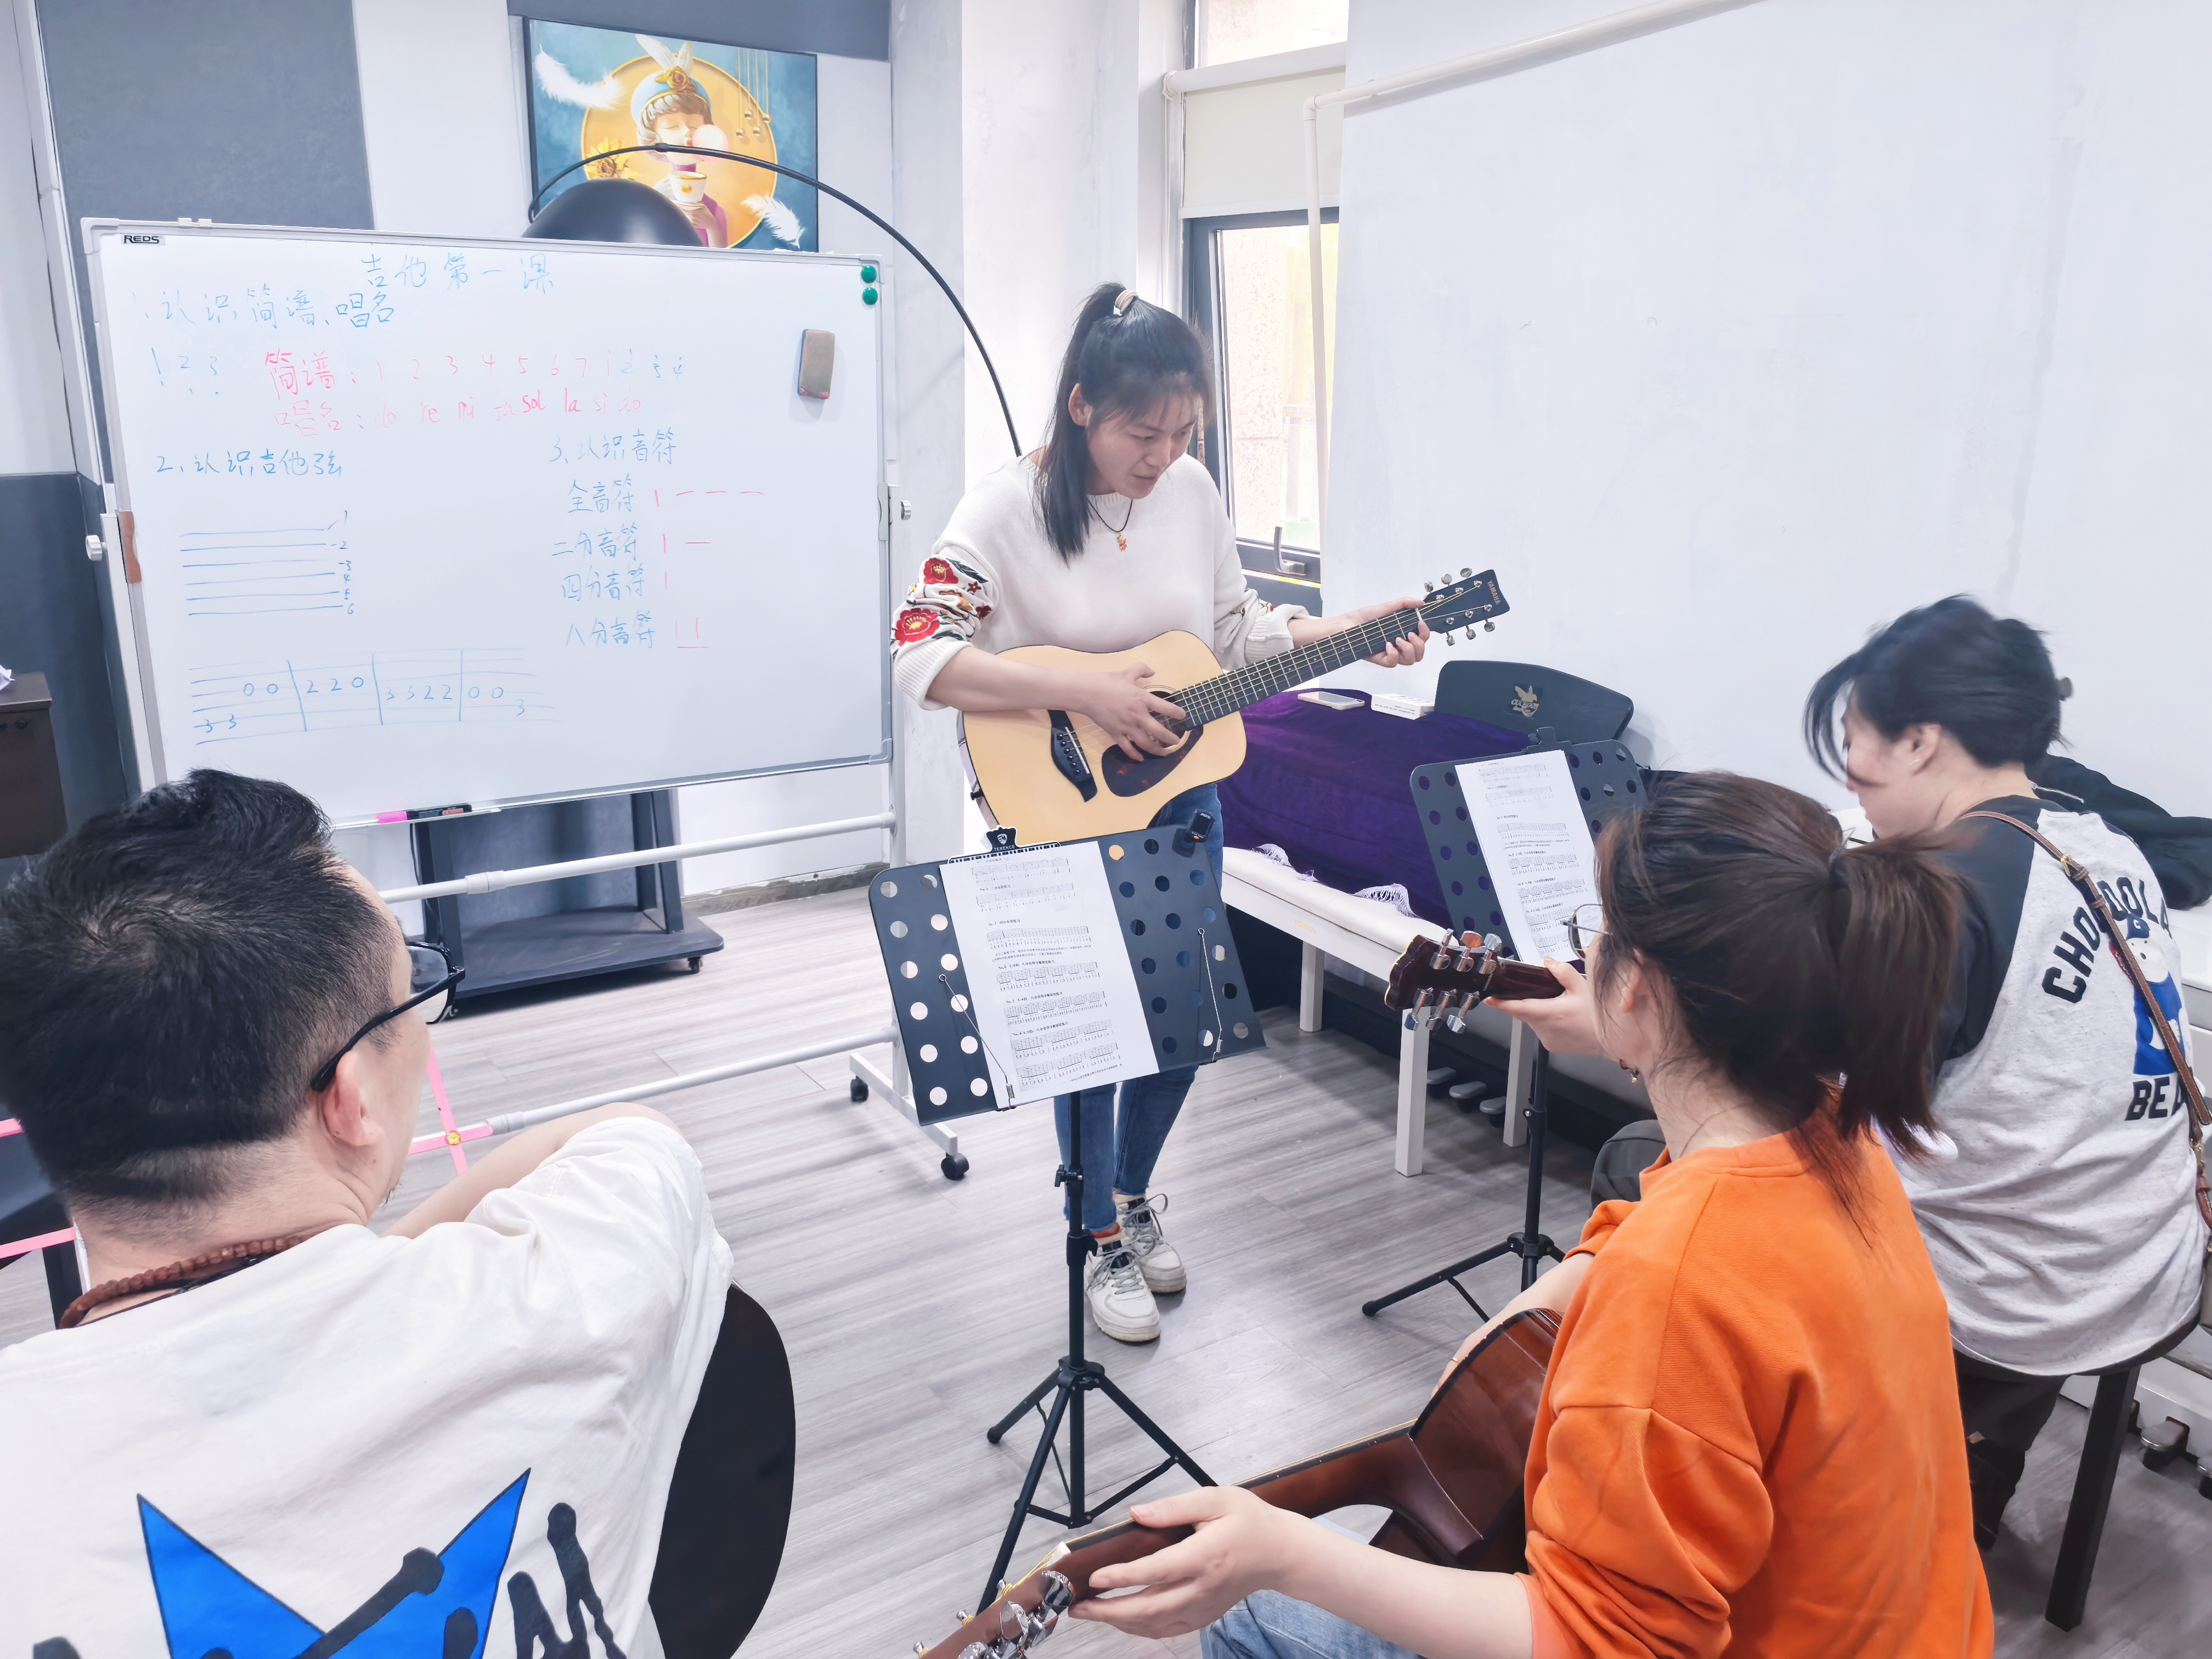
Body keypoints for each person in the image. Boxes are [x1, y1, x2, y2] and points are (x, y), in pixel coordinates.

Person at [1067, 773, 1993, 1658]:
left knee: (1258, 1617)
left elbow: (1594, 1641)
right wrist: (1549, 1286)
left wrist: (1286, 1556)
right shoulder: (1840, 1129)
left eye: (1599, 933)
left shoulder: (1674, 1287)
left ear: (1638, 986)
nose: (1587, 952)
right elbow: (1687, 1216)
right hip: (1924, 1630)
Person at [0, 770, 730, 1656]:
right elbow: (631, 1134)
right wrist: (365, 1259)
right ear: (348, 1097)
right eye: (414, 988)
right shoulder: (565, 1290)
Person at [892, 281, 1429, 1344]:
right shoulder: (1000, 510)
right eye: (1144, 432)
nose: (1165, 455)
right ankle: (1092, 1230)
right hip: (1056, 804)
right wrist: (1084, 692)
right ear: (1081, 406)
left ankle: (1129, 1195)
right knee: (1092, 1037)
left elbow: (1231, 636)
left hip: (1180, 801)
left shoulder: (1189, 491)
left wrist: (1351, 632)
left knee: (1182, 1026)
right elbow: (921, 653)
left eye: (1185, 432)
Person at [1797, 597, 2208, 1547]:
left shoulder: (1940, 885)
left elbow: (1848, 1106)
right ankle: (1979, 1457)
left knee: (1693, 1170)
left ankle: (1880, 1502)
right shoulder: (2108, 844)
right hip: (2139, 1257)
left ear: (1919, 742)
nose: (1851, 779)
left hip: (2018, 1295)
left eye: (1854, 744)